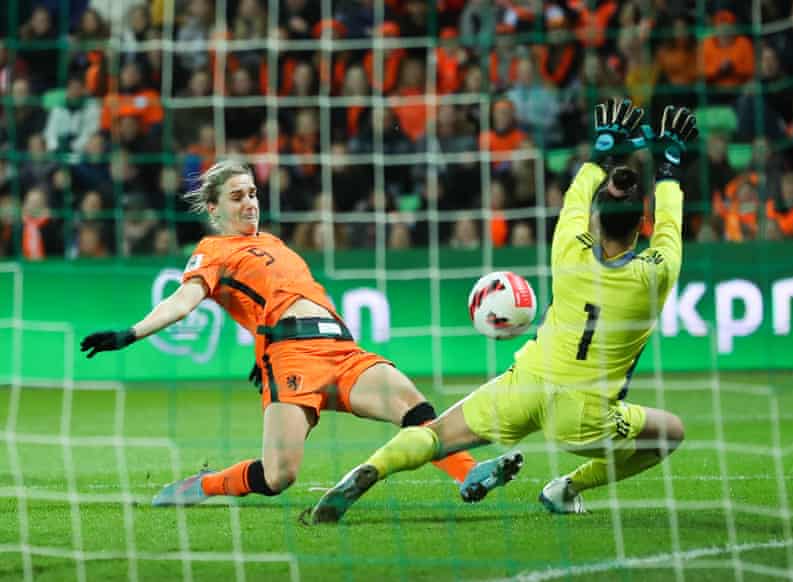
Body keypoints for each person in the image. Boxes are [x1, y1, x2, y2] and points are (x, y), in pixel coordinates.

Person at [309, 99, 697, 522]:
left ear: (595, 220)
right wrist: (670, 164)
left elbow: (575, 197)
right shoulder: (655, 274)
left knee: (434, 435)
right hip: (584, 414)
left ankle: (372, 468)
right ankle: (567, 487)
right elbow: (670, 227)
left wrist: (602, 150)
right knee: (670, 431)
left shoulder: (568, 247)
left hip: (526, 383)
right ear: (643, 222)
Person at [79, 161, 516, 507]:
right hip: (292, 359)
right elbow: (183, 300)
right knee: (279, 476)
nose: (250, 203)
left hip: (341, 349)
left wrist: (259, 345)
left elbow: (264, 301)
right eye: (237, 197)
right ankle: (208, 484)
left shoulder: (274, 242)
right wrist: (130, 333)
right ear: (213, 209)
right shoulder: (211, 252)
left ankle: (469, 473)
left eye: (252, 193)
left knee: (413, 404)